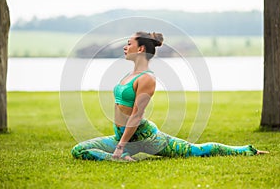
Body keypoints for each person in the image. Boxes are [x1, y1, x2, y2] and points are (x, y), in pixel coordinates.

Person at [71, 31, 269, 161]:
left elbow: (137, 114)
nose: (125, 47)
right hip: (120, 136)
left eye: (128, 43)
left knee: (195, 151)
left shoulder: (147, 78)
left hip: (145, 137)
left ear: (140, 49)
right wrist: (120, 144)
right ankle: (120, 157)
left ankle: (246, 150)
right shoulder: (128, 75)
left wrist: (120, 146)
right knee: (78, 150)